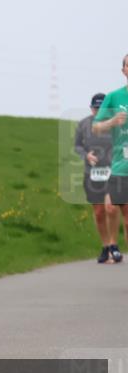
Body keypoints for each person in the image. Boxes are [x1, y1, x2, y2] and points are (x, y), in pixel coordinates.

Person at [77, 92, 122, 262]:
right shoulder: (83, 124)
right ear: (91, 108)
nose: (98, 111)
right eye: (96, 108)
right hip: (93, 174)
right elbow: (77, 146)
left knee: (111, 208)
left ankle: (114, 245)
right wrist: (86, 155)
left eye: (102, 108)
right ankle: (105, 247)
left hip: (114, 172)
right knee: (98, 212)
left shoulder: (117, 125)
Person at [92, 53, 128, 262]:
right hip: (121, 166)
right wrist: (112, 121)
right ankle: (112, 244)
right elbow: (96, 127)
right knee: (114, 209)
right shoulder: (114, 97)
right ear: (124, 70)